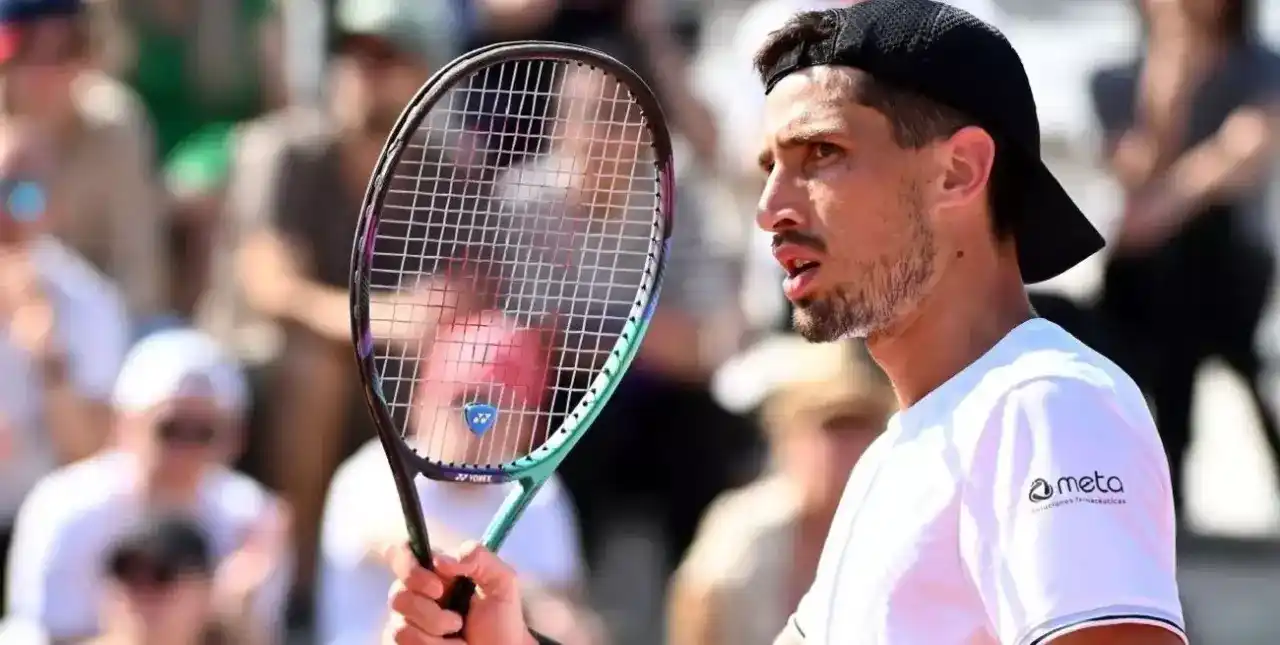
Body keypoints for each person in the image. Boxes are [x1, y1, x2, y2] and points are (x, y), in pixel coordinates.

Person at [381, 2, 1188, 645]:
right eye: (770, 167)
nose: (769, 209)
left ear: (958, 171)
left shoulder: (1045, 405)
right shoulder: (893, 459)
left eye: (821, 155)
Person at [1089, 0, 1280, 513]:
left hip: (1229, 263)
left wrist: (1160, 212)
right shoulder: (1113, 78)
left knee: (1189, 262)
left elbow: (1241, 157)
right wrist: (1172, 72)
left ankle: (1168, 479)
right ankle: (1163, 479)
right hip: (1153, 274)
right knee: (1166, 286)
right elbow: (1135, 169)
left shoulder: (1262, 67)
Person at [318, 311, 601, 645]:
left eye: (499, 407)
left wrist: (547, 618)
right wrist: (518, 595)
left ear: (528, 425)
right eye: (463, 401)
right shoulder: (373, 471)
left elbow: (570, 618)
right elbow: (408, 547)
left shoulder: (543, 496)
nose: (477, 426)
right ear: (421, 405)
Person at [5, 328, 291, 644]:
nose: (186, 450)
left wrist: (233, 614)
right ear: (125, 424)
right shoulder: (64, 507)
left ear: (236, 439)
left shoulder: (250, 519)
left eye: (204, 432)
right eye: (170, 429)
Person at [669, 336, 894, 645]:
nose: (843, 448)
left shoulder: (898, 524)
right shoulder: (741, 532)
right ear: (788, 438)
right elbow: (695, 624)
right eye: (831, 427)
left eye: (859, 425)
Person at [0, 0, 168, 319]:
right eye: (28, 49)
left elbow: (138, 271)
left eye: (65, 49)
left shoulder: (115, 124)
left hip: (103, 322)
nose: (46, 70)